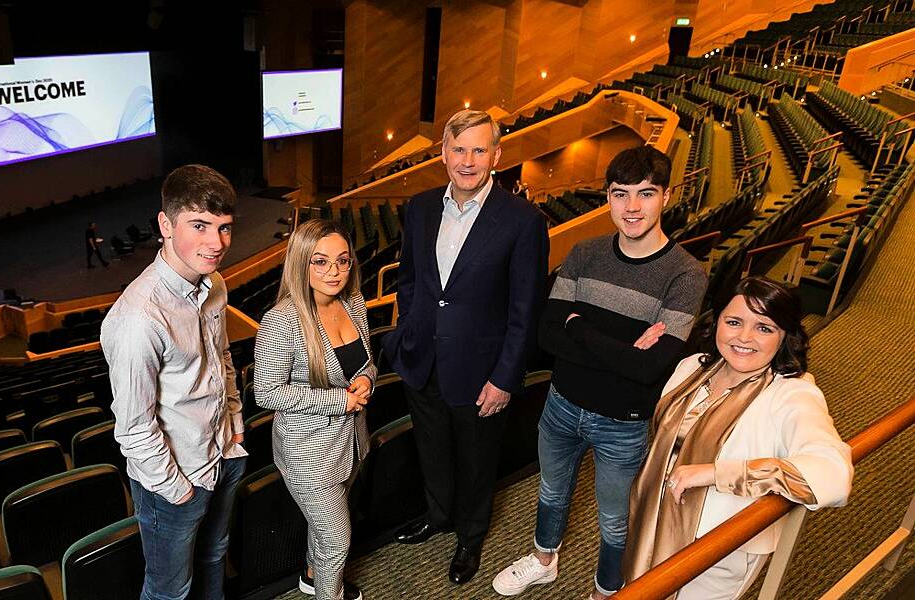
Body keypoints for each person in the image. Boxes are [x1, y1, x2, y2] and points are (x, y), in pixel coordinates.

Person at [492, 146, 707, 599]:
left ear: (666, 196)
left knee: (613, 518)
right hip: (561, 405)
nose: (632, 207)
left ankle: (608, 590)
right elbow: (547, 336)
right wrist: (618, 347)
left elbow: (650, 366)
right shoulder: (585, 252)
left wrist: (579, 328)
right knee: (551, 492)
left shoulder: (685, 274)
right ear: (607, 198)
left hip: (623, 423)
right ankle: (543, 560)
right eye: (620, 194)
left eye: (645, 194)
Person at [384, 109, 548, 584]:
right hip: (422, 361)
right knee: (431, 450)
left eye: (479, 149)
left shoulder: (522, 222)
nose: (468, 160)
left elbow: (525, 309)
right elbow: (412, 281)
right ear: (443, 153)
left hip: (481, 373)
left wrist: (504, 377)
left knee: (477, 462)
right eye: (459, 149)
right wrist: (409, 333)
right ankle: (438, 517)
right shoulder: (418, 207)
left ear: (496, 155)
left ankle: (471, 537)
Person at [621, 277, 852, 599]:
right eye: (734, 322)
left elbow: (833, 473)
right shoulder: (692, 369)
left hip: (717, 548)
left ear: (784, 336)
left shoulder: (791, 395)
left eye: (764, 328)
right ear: (716, 323)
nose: (744, 337)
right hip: (651, 521)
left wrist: (719, 473)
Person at [100, 164, 245, 600]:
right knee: (169, 591)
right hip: (177, 480)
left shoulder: (214, 283)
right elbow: (134, 429)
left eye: (224, 228)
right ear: (165, 224)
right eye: (199, 226)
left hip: (224, 452)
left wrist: (235, 423)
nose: (216, 243)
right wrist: (178, 489)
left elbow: (221, 357)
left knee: (215, 555)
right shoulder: (137, 319)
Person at [254, 219, 376, 600]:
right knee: (338, 542)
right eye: (320, 262)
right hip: (307, 453)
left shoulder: (353, 302)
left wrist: (368, 380)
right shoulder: (281, 321)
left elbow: (368, 362)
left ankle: (311, 573)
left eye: (342, 260)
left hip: (350, 443)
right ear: (301, 263)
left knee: (324, 531)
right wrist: (339, 401)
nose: (334, 272)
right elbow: (266, 393)